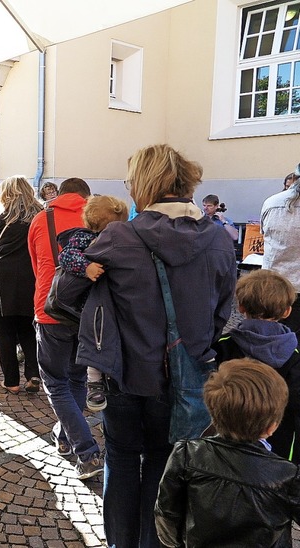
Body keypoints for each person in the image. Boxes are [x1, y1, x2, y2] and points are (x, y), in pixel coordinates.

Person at [81, 144, 236, 547]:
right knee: (163, 467)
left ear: (145, 185)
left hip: (128, 376)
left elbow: (65, 296)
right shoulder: (219, 240)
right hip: (186, 380)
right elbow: (221, 313)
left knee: (121, 457)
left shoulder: (118, 235)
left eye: (132, 181)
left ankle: (120, 543)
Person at [155, 358, 300, 547]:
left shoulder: (186, 455)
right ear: (272, 427)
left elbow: (166, 517)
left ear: (213, 413)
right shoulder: (287, 475)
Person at [28, 177, 101, 475]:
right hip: (87, 310)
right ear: (86, 196)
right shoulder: (98, 217)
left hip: (50, 306)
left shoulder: (40, 219)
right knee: (77, 379)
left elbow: (35, 264)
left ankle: (86, 451)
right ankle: (64, 438)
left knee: (56, 383)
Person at [212, 269, 300, 462]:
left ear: (241, 306)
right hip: (279, 446)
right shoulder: (294, 354)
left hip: (228, 439)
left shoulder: (225, 344)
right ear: (287, 311)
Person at [57, 195, 130, 410]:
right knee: (93, 338)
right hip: (90, 302)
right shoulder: (84, 237)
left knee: (107, 336)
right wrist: (86, 267)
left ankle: (106, 376)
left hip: (109, 300)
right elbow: (66, 256)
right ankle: (94, 382)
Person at [0, 177, 41, 393]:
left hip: (3, 277)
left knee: (5, 331)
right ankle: (33, 374)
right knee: (28, 329)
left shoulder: (1, 218)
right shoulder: (39, 217)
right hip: (31, 275)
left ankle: (11, 381)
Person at [262, 164, 300, 334]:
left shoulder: (271, 202)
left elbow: (264, 233)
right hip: (287, 287)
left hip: (274, 286)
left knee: (273, 342)